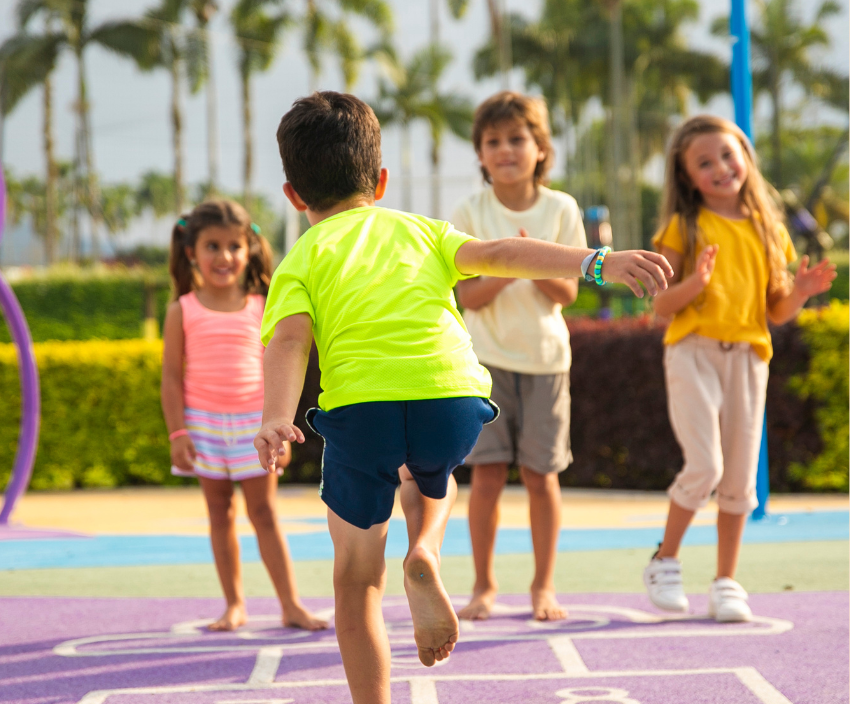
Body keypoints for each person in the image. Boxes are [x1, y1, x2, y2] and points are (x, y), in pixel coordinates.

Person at [252, 91, 673, 704]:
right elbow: (500, 255)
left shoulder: (299, 261)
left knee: (356, 578)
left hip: (359, 410)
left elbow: (289, 342)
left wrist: (275, 418)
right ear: (381, 180)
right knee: (435, 475)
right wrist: (596, 261)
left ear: (294, 194)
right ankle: (425, 549)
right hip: (448, 397)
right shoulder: (421, 231)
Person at [645, 115, 836, 623]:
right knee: (705, 465)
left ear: (746, 159)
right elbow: (662, 305)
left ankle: (726, 581)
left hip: (749, 358)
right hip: (693, 352)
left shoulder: (770, 231)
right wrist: (697, 284)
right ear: (687, 178)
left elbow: (776, 311)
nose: (720, 168)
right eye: (704, 163)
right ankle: (665, 560)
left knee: (739, 476)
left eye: (728, 156)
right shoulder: (682, 227)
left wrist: (800, 292)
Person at [161, 199, 328, 633]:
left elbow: (286, 364)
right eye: (212, 246)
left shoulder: (263, 303)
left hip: (256, 427)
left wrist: (280, 427)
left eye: (234, 246)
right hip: (204, 428)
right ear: (191, 252)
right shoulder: (182, 309)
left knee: (266, 514)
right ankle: (234, 605)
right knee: (219, 514)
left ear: (249, 248)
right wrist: (178, 433)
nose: (224, 257)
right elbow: (172, 380)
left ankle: (291, 604)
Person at [451, 92, 585, 622]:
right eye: (493, 141)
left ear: (539, 147)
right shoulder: (470, 212)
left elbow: (567, 293)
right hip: (483, 364)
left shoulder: (561, 208)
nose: (505, 149)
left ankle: (542, 588)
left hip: (547, 362)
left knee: (540, 476)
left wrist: (530, 260)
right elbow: (466, 295)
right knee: (485, 477)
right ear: (480, 154)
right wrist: (505, 260)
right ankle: (484, 585)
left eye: (516, 139)